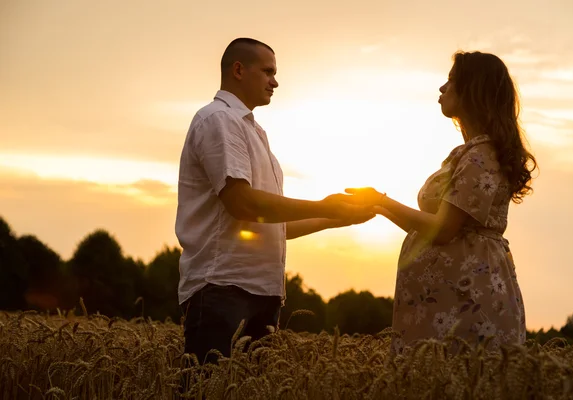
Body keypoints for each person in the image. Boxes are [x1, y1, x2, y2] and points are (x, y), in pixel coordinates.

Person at [175, 37, 374, 366]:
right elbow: (242, 204)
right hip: (221, 288)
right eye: (268, 71)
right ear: (238, 70)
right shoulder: (219, 121)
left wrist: (342, 216)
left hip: (259, 291)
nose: (275, 81)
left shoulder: (253, 131)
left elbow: (272, 224)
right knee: (208, 389)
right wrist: (324, 205)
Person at [345, 51, 537, 352]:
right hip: (448, 303)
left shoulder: (481, 155)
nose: (442, 88)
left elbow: (444, 229)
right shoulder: (472, 152)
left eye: (451, 81)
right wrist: (379, 206)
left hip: (465, 302)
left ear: (473, 90)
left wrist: (380, 202)